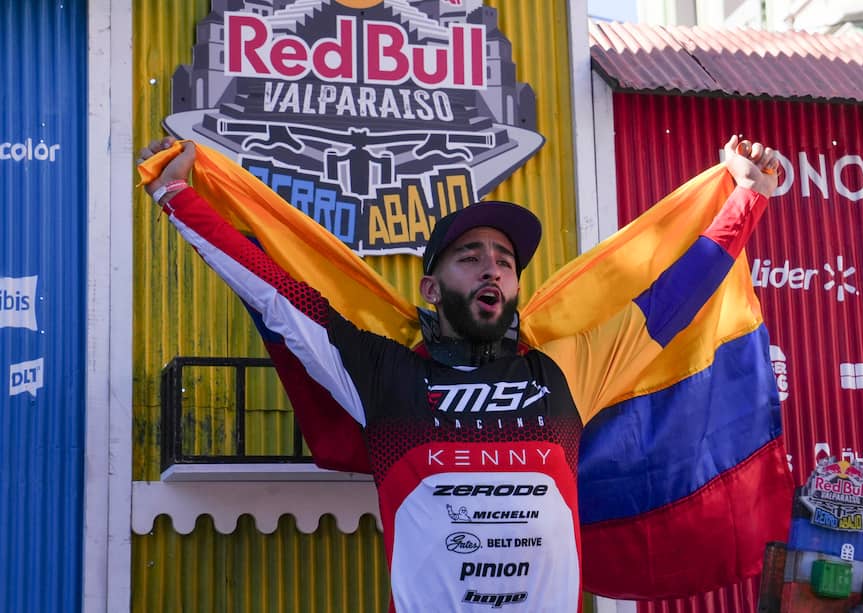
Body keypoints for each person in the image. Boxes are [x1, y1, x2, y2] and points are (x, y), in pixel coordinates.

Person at [138, 134, 779, 612]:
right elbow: (278, 294)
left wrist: (745, 196)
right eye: (470, 257)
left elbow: (670, 301)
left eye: (504, 260)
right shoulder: (382, 375)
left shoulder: (564, 369)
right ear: (428, 287)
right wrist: (176, 194)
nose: (492, 268)